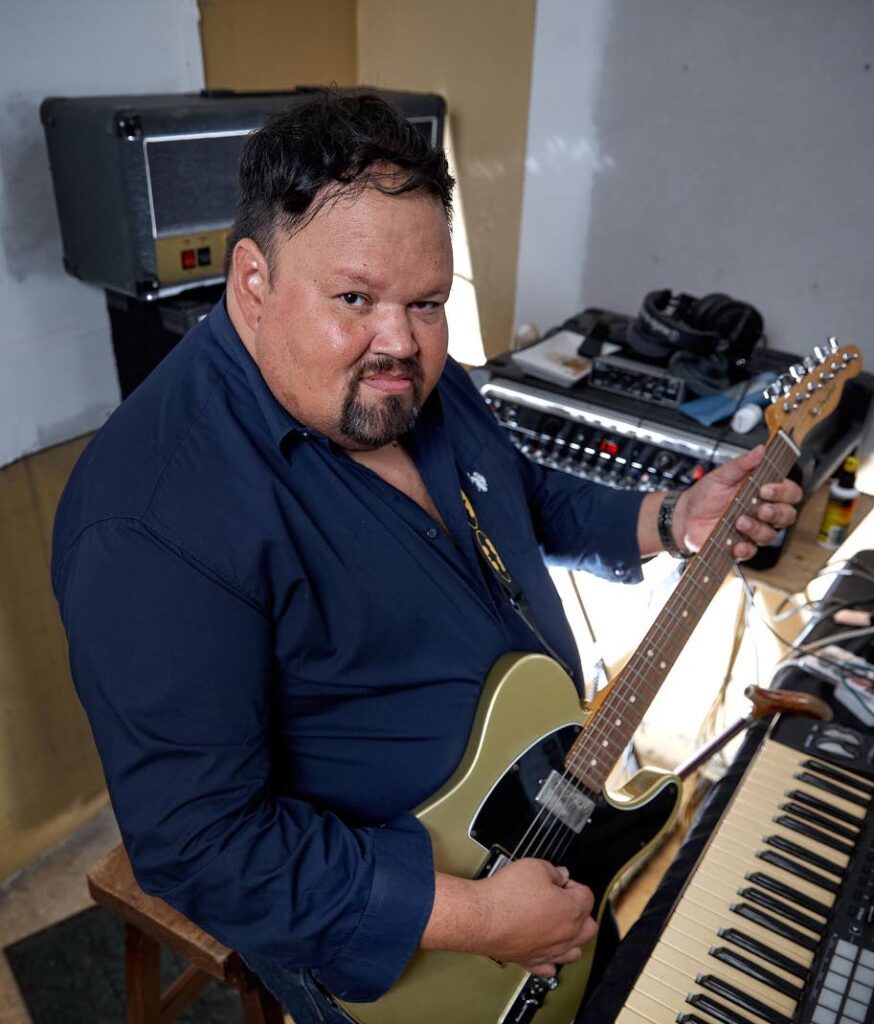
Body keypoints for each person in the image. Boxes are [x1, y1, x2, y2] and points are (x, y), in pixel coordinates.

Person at [52, 90, 801, 1023]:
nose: (400, 343)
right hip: (404, 943)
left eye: (428, 303)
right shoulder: (151, 522)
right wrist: (484, 916)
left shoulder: (410, 378)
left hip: (541, 811)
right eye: (355, 298)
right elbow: (208, 846)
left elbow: (510, 488)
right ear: (252, 282)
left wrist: (668, 516)